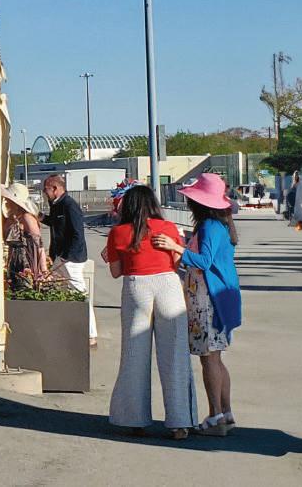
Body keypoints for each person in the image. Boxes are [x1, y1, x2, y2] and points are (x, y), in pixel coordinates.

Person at [153, 172, 243, 436]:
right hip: (216, 298)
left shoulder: (209, 227)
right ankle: (225, 413)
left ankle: (216, 416)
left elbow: (204, 261)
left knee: (209, 359)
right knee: (216, 357)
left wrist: (176, 247)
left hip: (208, 300)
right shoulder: (219, 225)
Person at [106, 185, 195, 439]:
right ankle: (180, 422)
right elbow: (176, 262)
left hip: (136, 286)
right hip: (168, 285)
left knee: (134, 354)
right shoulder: (168, 228)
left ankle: (134, 418)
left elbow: (115, 272)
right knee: (175, 353)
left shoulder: (118, 232)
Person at [40, 174, 96, 346]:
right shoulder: (57, 204)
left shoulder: (69, 205)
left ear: (55, 189)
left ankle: (90, 333)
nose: (44, 193)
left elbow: (78, 233)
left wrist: (67, 256)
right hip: (61, 256)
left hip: (70, 259)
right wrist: (42, 217)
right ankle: (69, 329)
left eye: (46, 190)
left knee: (78, 293)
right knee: (63, 292)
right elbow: (56, 224)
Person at [2, 182, 45, 290]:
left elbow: (38, 244)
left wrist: (43, 269)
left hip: (26, 263)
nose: (6, 200)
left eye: (8, 198)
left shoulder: (27, 218)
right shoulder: (11, 218)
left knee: (24, 290)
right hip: (13, 263)